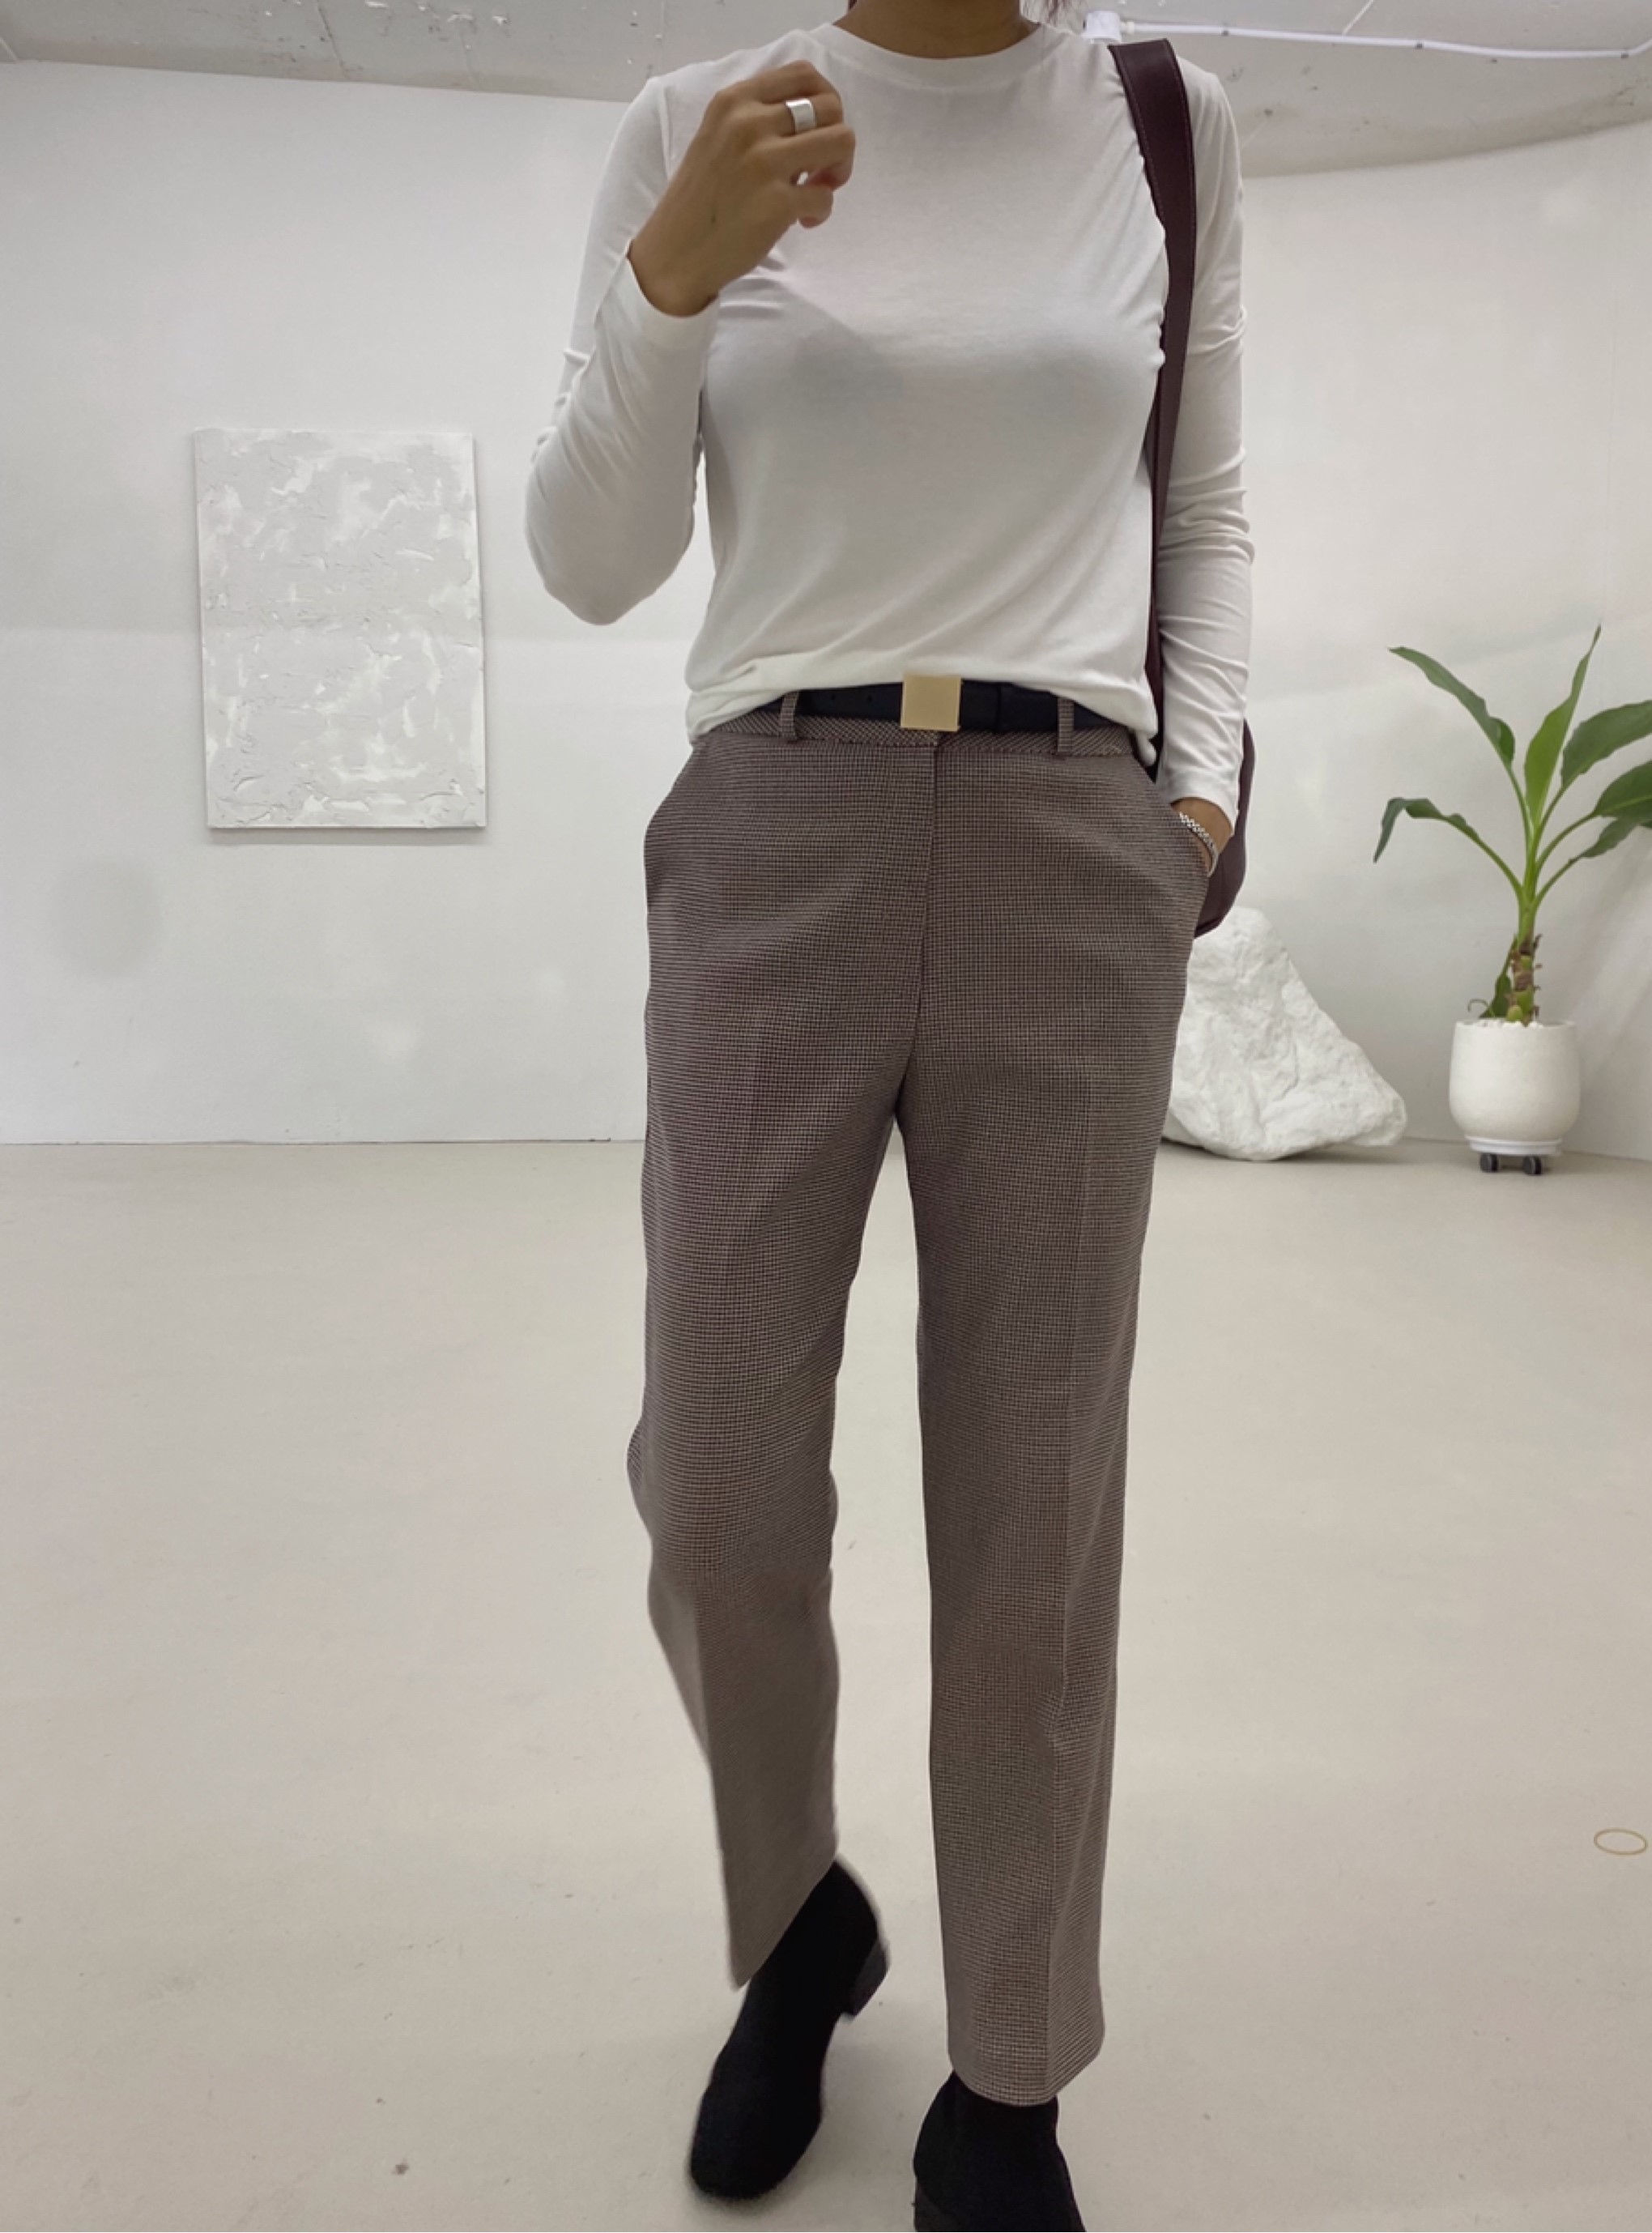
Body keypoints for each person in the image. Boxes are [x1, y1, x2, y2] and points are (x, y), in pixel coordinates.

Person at [524, 2, 1252, 2223]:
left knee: (1038, 1499)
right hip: (776, 823)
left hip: (1071, 831)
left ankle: (1011, 2072)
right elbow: (589, 558)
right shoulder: (696, 122)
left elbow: (1206, 504)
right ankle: (798, 1927)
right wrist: (670, 276)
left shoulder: (1162, 121)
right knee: (716, 1472)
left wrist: (1196, 807)